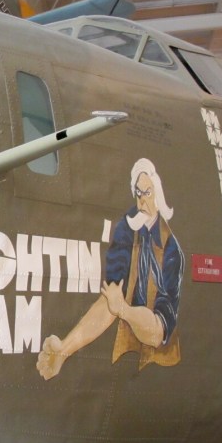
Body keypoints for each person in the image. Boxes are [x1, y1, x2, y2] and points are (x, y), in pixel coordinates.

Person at [37, 157, 183, 380]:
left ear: (159, 193)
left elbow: (157, 332)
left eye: (148, 193)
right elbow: (110, 301)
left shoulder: (172, 251)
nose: (142, 202)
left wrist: (123, 310)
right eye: (138, 193)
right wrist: (64, 350)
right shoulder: (128, 230)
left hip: (158, 364)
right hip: (130, 358)